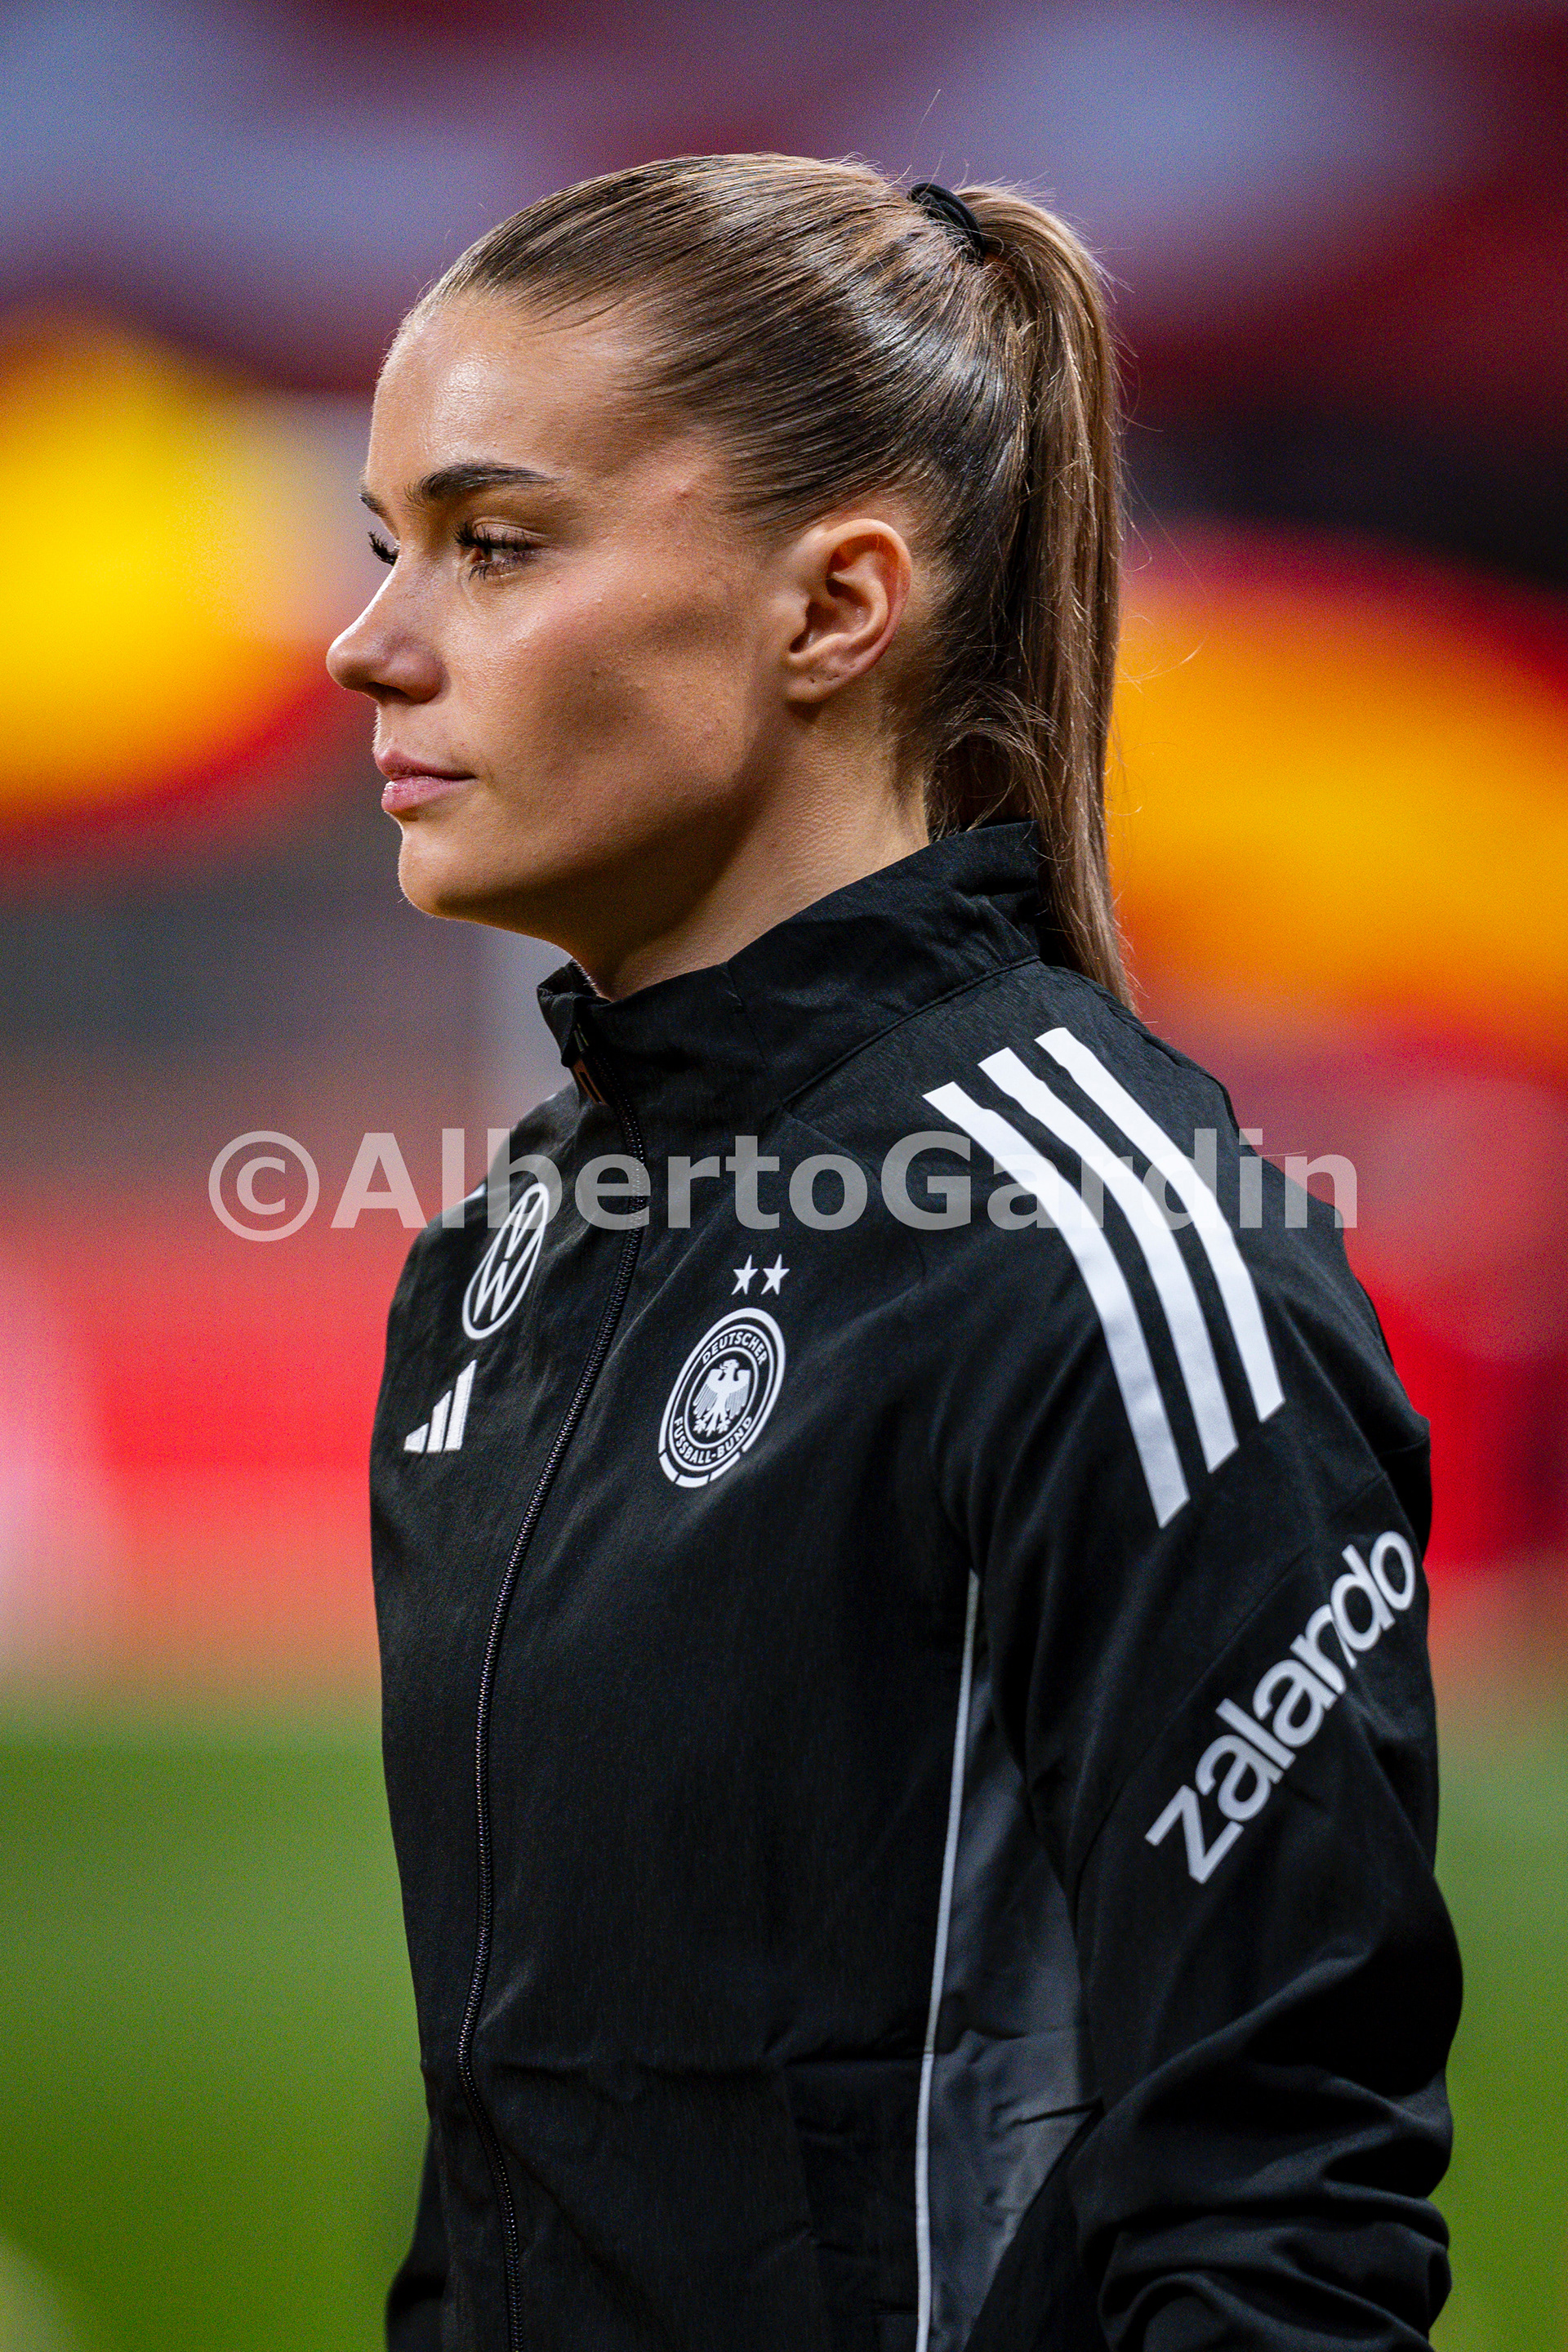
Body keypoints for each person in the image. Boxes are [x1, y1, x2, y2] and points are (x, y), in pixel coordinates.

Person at [326, 154, 1460, 2352]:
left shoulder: (1102, 1254)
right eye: (390, 549)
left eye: (496, 542)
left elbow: (1283, 2234)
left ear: (836, 609)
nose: (371, 641)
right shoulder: (495, 1263)